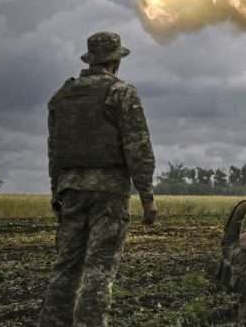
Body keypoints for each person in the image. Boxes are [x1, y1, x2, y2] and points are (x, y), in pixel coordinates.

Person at [39, 31, 157, 327]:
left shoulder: (61, 97)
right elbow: (137, 147)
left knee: (65, 268)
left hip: (70, 191)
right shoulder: (121, 93)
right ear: (116, 61)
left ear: (91, 60)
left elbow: (54, 151)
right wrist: (147, 197)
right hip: (108, 194)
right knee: (99, 270)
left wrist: (57, 194)